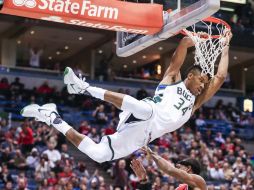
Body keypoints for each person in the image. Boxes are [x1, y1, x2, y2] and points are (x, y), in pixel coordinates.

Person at [21, 32, 232, 163]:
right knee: (147, 110)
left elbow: (220, 77)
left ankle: (51, 116)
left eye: (205, 84)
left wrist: (225, 46)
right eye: (201, 81)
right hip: (143, 111)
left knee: (100, 155)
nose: (203, 86)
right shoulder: (171, 81)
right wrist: (193, 39)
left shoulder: (193, 104)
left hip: (140, 135)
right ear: (190, 76)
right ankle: (82, 87)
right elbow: (184, 45)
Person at [130, 147, 207, 190]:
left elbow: (169, 169)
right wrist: (143, 181)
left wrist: (152, 154)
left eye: (179, 167)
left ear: (188, 168)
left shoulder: (199, 181)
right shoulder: (181, 188)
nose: (177, 170)